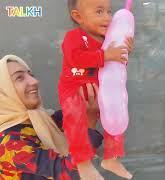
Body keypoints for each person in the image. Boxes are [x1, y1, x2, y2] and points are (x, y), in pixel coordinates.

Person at [58, 0, 134, 179]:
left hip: (100, 91)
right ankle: (82, 163)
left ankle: (112, 158)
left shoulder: (108, 40)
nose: (108, 18)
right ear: (78, 17)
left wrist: (124, 52)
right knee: (75, 122)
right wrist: (106, 55)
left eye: (109, 11)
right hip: (74, 91)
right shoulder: (73, 37)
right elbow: (75, 58)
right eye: (99, 12)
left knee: (116, 117)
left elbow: (115, 67)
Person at [0, 54, 103, 179]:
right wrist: (90, 125)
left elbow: (74, 113)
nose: (34, 81)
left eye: (30, 75)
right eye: (20, 78)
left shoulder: (42, 120)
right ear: (3, 92)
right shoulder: (10, 144)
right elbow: (68, 173)